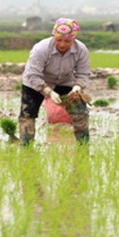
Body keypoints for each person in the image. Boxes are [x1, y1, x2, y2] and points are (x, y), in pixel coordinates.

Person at [19, 17, 91, 145]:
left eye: (67, 41)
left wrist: (77, 88)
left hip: (65, 80)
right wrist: (49, 92)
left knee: (80, 110)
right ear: (53, 36)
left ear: (73, 39)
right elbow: (33, 75)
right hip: (36, 82)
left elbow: (83, 74)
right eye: (59, 40)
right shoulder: (40, 49)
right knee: (28, 113)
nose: (62, 44)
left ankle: (83, 145)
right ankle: (26, 146)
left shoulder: (81, 50)